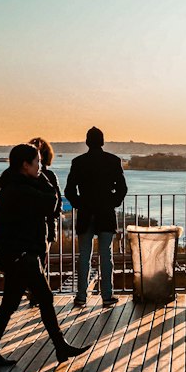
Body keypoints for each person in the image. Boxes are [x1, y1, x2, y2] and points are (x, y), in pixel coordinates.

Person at [0, 144, 87, 369]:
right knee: (45, 298)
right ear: (25, 165)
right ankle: (60, 346)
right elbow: (51, 201)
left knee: (9, 305)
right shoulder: (21, 189)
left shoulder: (15, 185)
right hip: (23, 255)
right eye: (37, 162)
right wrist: (43, 179)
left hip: (18, 254)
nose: (41, 166)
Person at [64, 126, 127, 308]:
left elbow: (69, 190)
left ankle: (81, 296)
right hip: (106, 213)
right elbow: (122, 188)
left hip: (85, 213)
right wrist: (113, 202)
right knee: (106, 254)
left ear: (86, 142)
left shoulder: (78, 162)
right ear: (102, 141)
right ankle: (107, 295)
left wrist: (79, 203)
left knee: (84, 255)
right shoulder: (113, 161)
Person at [25, 136, 61, 305]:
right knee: (41, 262)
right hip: (46, 226)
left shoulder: (23, 178)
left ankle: (34, 293)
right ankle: (38, 294)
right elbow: (57, 201)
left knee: (31, 261)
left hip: (30, 227)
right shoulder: (49, 176)